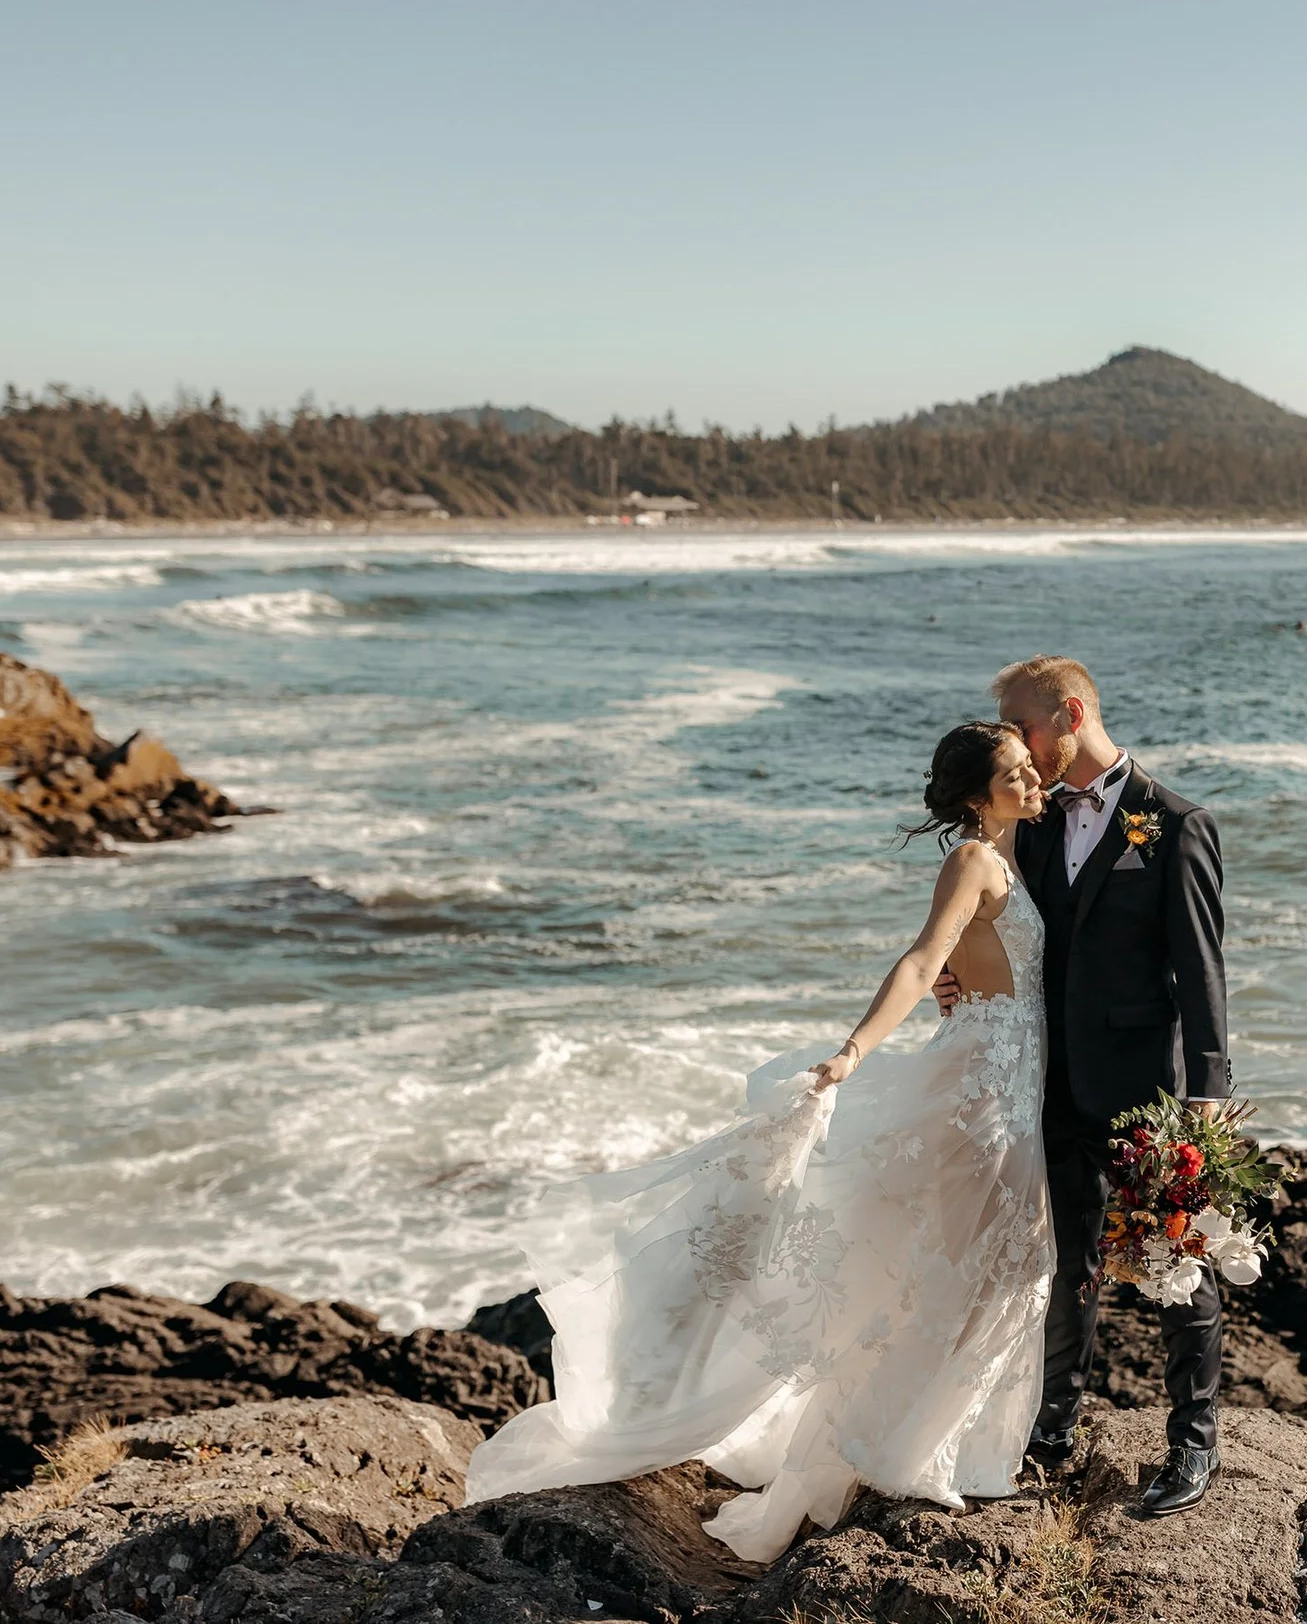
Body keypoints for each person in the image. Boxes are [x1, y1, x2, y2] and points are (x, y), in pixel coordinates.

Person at [463, 721, 1053, 1561]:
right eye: (1015, 774)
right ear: (973, 795)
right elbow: (925, 962)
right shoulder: (972, 860)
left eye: (1032, 769)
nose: (1033, 782)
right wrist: (854, 1048)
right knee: (973, 1265)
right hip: (982, 1090)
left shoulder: (1017, 851)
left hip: (1013, 1074)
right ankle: (909, 1452)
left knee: (998, 1264)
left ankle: (950, 1442)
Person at [949, 654, 1231, 1518]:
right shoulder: (1026, 822)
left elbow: (1202, 970)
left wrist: (1207, 1099)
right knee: (1066, 1256)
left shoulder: (1173, 823)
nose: (1021, 753)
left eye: (1027, 730)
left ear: (1070, 714)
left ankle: (1194, 1440)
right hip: (1048, 1079)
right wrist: (953, 976)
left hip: (1146, 1089)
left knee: (1177, 1264)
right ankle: (1056, 1426)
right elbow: (1004, 924)